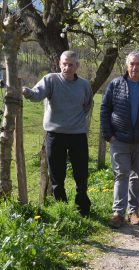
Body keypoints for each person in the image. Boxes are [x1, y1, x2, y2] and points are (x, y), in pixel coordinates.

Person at [22, 50, 92, 217]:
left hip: (78, 135)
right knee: (56, 174)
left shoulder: (84, 85)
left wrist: (74, 121)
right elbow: (37, 95)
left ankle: (82, 206)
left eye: (70, 65)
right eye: (64, 64)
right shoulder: (51, 80)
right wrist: (26, 92)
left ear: (77, 66)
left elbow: (87, 105)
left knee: (81, 173)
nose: (67, 67)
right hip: (55, 134)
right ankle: (62, 208)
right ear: (59, 64)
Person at [100, 51, 139, 229]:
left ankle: (134, 212)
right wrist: (109, 135)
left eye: (138, 64)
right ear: (126, 66)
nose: (134, 67)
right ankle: (118, 213)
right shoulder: (116, 85)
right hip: (119, 139)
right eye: (131, 64)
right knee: (121, 174)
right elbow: (105, 109)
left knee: (137, 176)